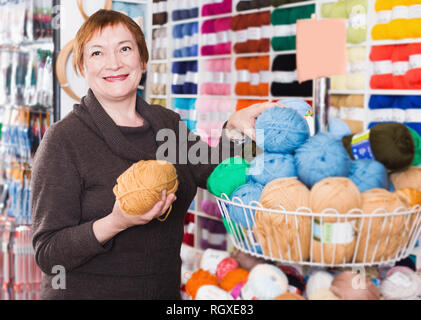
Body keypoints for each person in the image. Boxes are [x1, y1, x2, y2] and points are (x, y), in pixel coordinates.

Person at [31, 9, 280, 300]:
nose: (114, 63)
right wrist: (116, 222)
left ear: (143, 59)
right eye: (97, 53)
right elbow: (48, 253)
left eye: (125, 49)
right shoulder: (64, 140)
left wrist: (235, 129)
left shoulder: (168, 125)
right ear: (83, 67)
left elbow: (215, 172)